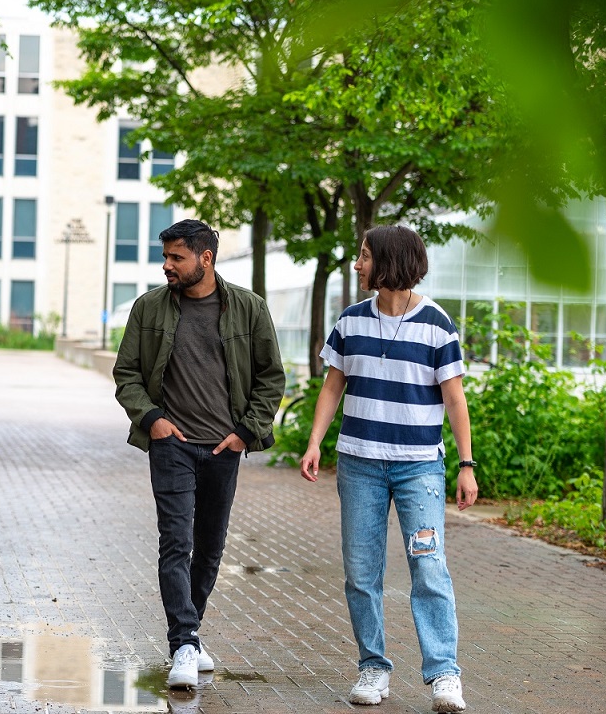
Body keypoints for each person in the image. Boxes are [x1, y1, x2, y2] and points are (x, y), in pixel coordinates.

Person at [300, 225, 476, 713]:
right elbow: (333, 387)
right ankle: (373, 666)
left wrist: (466, 465)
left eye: (363, 256)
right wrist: (316, 442)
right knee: (361, 572)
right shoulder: (350, 321)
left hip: (419, 469)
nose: (357, 264)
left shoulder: (437, 324)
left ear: (389, 261)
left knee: (429, 568)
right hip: (359, 465)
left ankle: (444, 674)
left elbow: (455, 400)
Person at [113, 219, 287, 690]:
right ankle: (184, 643)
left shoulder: (248, 309)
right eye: (165, 256)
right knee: (176, 543)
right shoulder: (149, 308)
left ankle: (189, 634)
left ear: (204, 259)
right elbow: (126, 373)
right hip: (172, 446)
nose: (166, 265)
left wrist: (246, 433)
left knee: (210, 547)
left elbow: (271, 377)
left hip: (224, 448)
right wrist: (153, 421)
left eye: (176, 257)